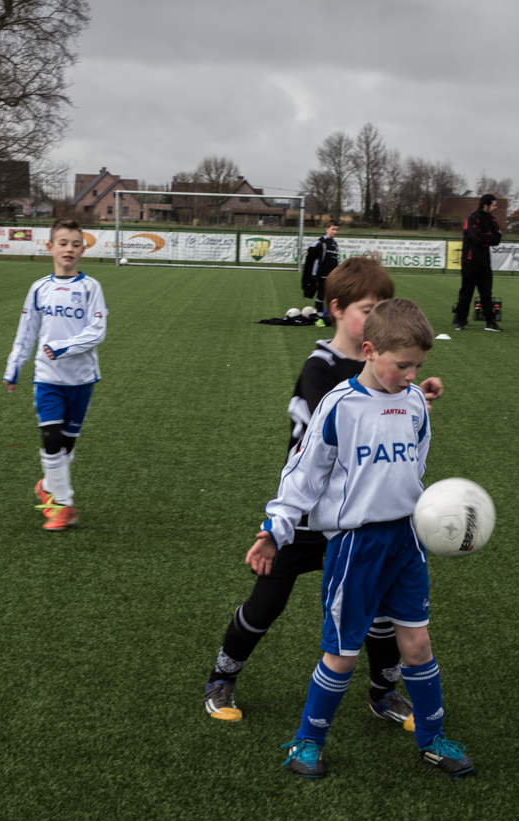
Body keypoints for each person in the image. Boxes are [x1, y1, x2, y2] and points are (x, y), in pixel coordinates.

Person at [204, 256, 444, 729]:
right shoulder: (323, 370)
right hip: (311, 514)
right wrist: (277, 525)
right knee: (267, 601)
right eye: (367, 310)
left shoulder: (392, 370)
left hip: (365, 520)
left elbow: (392, 412)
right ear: (336, 308)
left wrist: (415, 392)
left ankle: (383, 691)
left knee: (381, 612)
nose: (375, 317)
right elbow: (334, 439)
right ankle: (222, 676)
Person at [248, 298, 475, 779]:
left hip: (407, 540)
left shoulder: (413, 403)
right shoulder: (339, 406)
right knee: (343, 652)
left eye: (418, 366)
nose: (410, 376)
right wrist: (275, 529)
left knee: (417, 644)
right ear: (369, 351)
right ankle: (307, 742)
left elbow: (416, 464)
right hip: (356, 546)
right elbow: (303, 475)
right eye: (402, 365)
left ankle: (432, 739)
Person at [3, 218, 108, 530]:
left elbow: (97, 331)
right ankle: (64, 505)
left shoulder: (90, 287)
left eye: (75, 244)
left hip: (82, 379)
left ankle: (48, 485)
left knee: (67, 446)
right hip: (47, 377)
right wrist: (13, 367)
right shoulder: (39, 288)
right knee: (51, 439)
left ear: (83, 250)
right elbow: (27, 331)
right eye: (62, 243)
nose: (68, 249)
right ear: (50, 247)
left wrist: (62, 347)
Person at [452, 194, 502, 332]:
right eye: (494, 205)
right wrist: (488, 237)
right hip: (470, 261)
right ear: (485, 205)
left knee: (486, 293)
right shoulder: (472, 218)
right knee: (466, 292)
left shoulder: (492, 219)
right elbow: (476, 238)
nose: (496, 207)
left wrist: (485, 237)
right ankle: (460, 321)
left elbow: (497, 239)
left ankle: (490, 322)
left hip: (485, 262)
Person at [301, 221, 341, 321]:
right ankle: (319, 315)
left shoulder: (334, 243)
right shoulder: (322, 241)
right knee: (321, 294)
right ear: (326, 229)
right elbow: (311, 251)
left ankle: (330, 313)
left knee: (333, 294)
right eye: (333, 229)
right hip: (323, 274)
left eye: (337, 230)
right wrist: (314, 272)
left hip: (332, 274)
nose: (335, 231)